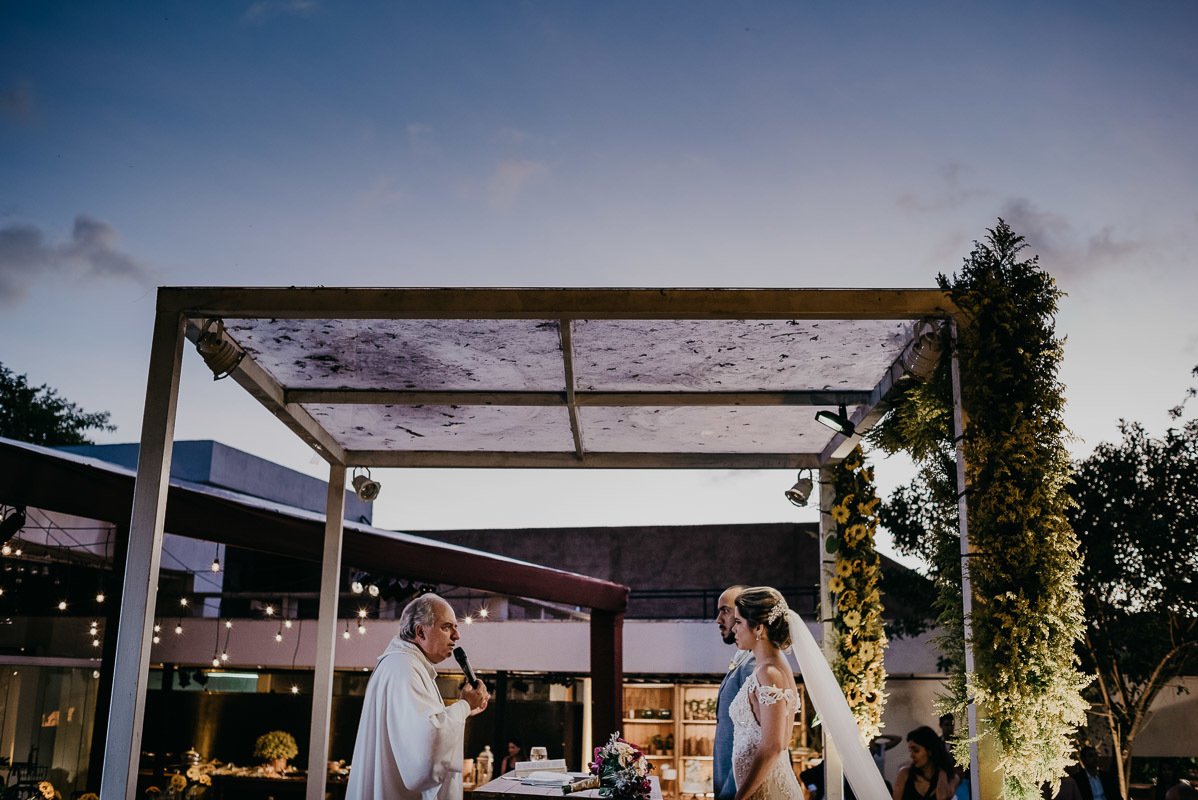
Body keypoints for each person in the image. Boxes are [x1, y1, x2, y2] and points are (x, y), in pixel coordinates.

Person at [345, 593, 491, 800]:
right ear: (420, 631)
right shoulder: (405, 668)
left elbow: (418, 730)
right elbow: (426, 744)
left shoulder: (403, 664)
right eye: (447, 627)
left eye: (455, 628)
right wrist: (464, 705)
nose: (456, 636)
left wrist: (464, 710)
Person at [727, 586, 804, 800]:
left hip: (768, 791)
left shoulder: (769, 672)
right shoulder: (770, 668)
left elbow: (773, 746)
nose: (734, 629)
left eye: (739, 622)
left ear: (759, 628)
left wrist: (739, 798)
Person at [716, 585, 756, 800]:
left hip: (739, 786)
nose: (718, 619)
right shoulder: (743, 657)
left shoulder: (754, 664)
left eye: (725, 611)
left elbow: (753, 740)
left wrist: (732, 792)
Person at [891, 727, 960, 800]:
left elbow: (942, 797)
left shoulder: (952, 778)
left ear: (930, 751)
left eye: (916, 751)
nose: (912, 755)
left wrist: (942, 770)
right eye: (910, 751)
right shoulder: (905, 774)